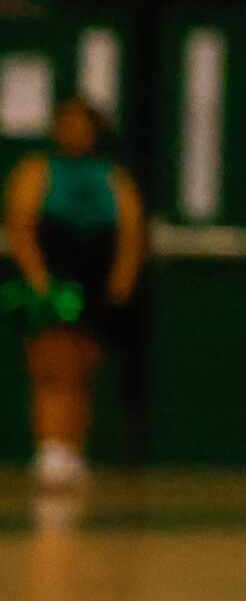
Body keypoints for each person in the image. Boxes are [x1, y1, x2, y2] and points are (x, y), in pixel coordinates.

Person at [6, 99, 145, 492]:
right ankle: (50, 447)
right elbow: (20, 224)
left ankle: (72, 447)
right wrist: (38, 280)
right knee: (52, 361)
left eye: (82, 124)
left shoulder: (112, 175)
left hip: (94, 280)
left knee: (83, 365)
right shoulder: (37, 170)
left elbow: (131, 232)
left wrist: (122, 279)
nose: (74, 132)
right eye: (67, 124)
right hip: (51, 278)